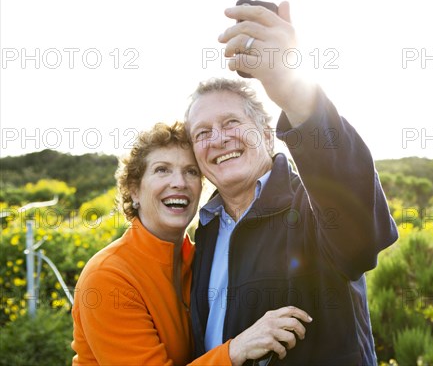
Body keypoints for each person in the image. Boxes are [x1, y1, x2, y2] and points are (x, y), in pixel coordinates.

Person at [185, 2, 399, 365]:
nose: (218, 139)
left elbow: (362, 237)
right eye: (202, 132)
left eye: (232, 123)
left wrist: (293, 91)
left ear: (267, 136)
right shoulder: (203, 233)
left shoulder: (311, 207)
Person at [71, 121, 312, 366]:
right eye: (162, 170)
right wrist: (236, 350)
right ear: (134, 190)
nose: (180, 183)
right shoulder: (108, 277)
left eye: (191, 171)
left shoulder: (201, 261)